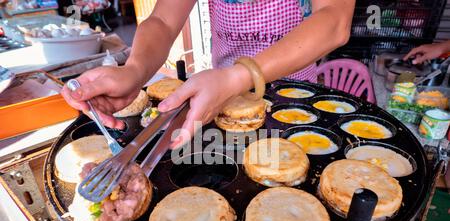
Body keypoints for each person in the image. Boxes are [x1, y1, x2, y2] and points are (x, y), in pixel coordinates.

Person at [62, 0, 355, 147]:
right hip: (221, 101)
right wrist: (135, 69)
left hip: (292, 101)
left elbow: (334, 20)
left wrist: (237, 77)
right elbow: (163, 20)